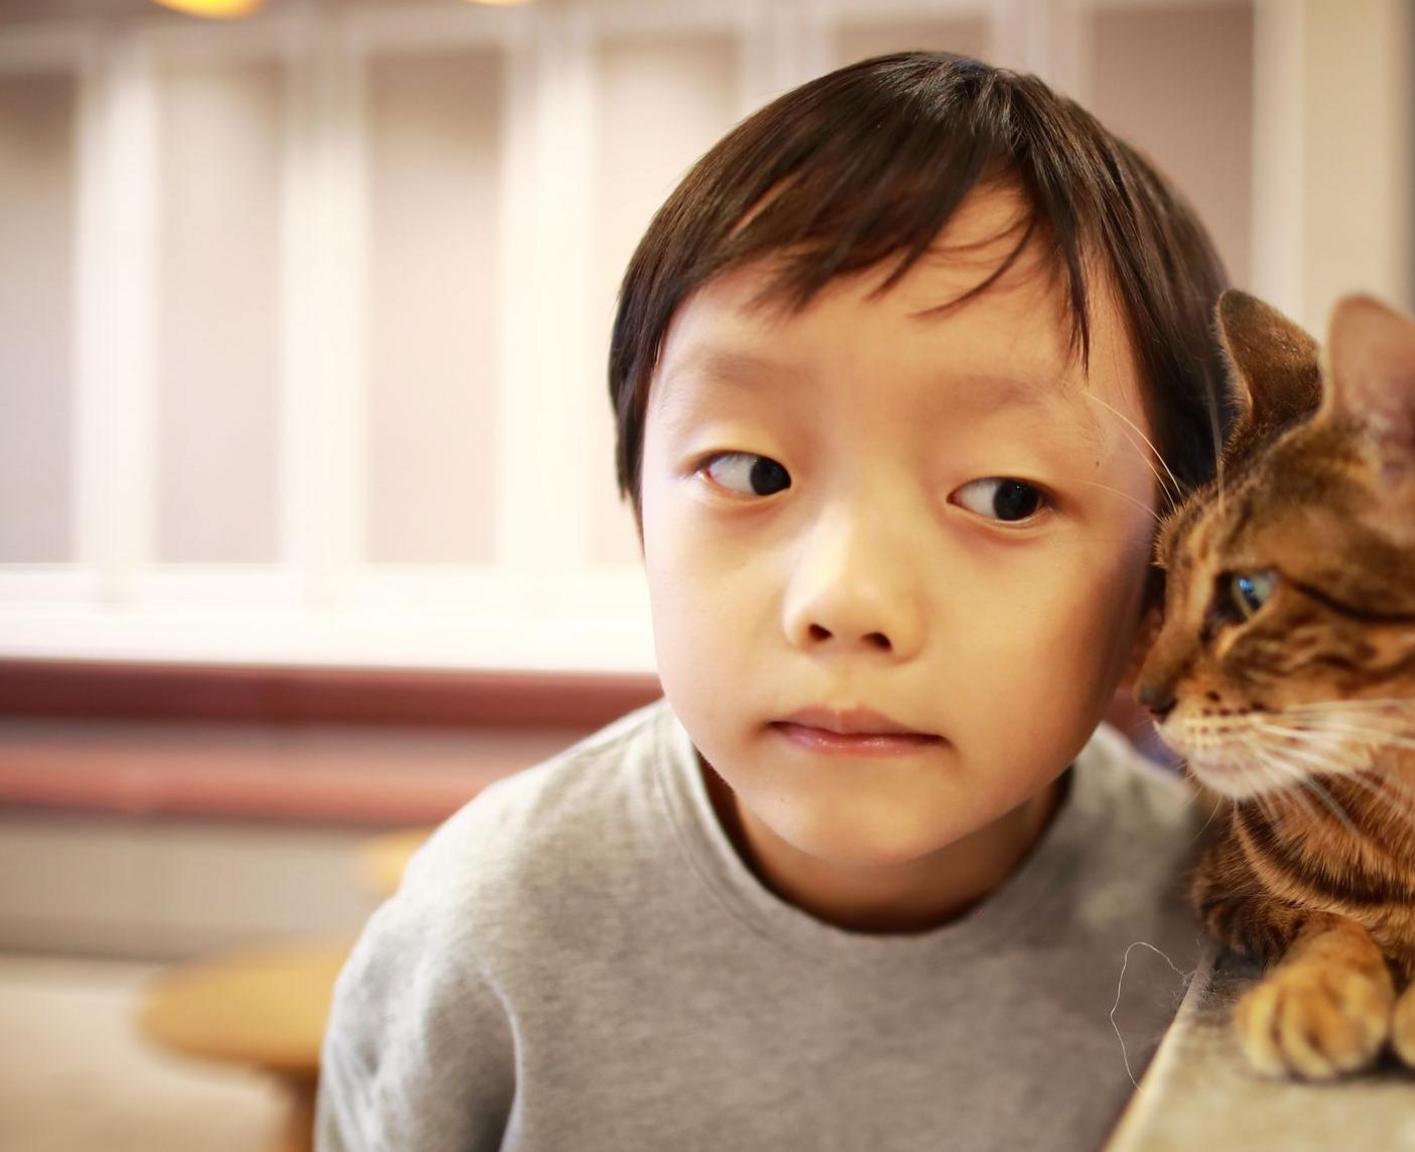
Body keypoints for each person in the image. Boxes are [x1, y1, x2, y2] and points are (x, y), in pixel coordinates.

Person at [317, 50, 1236, 1151]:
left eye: (1002, 496)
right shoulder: (487, 931)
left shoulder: (1219, 930)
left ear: (1159, 593)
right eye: (751, 473)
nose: (845, 600)